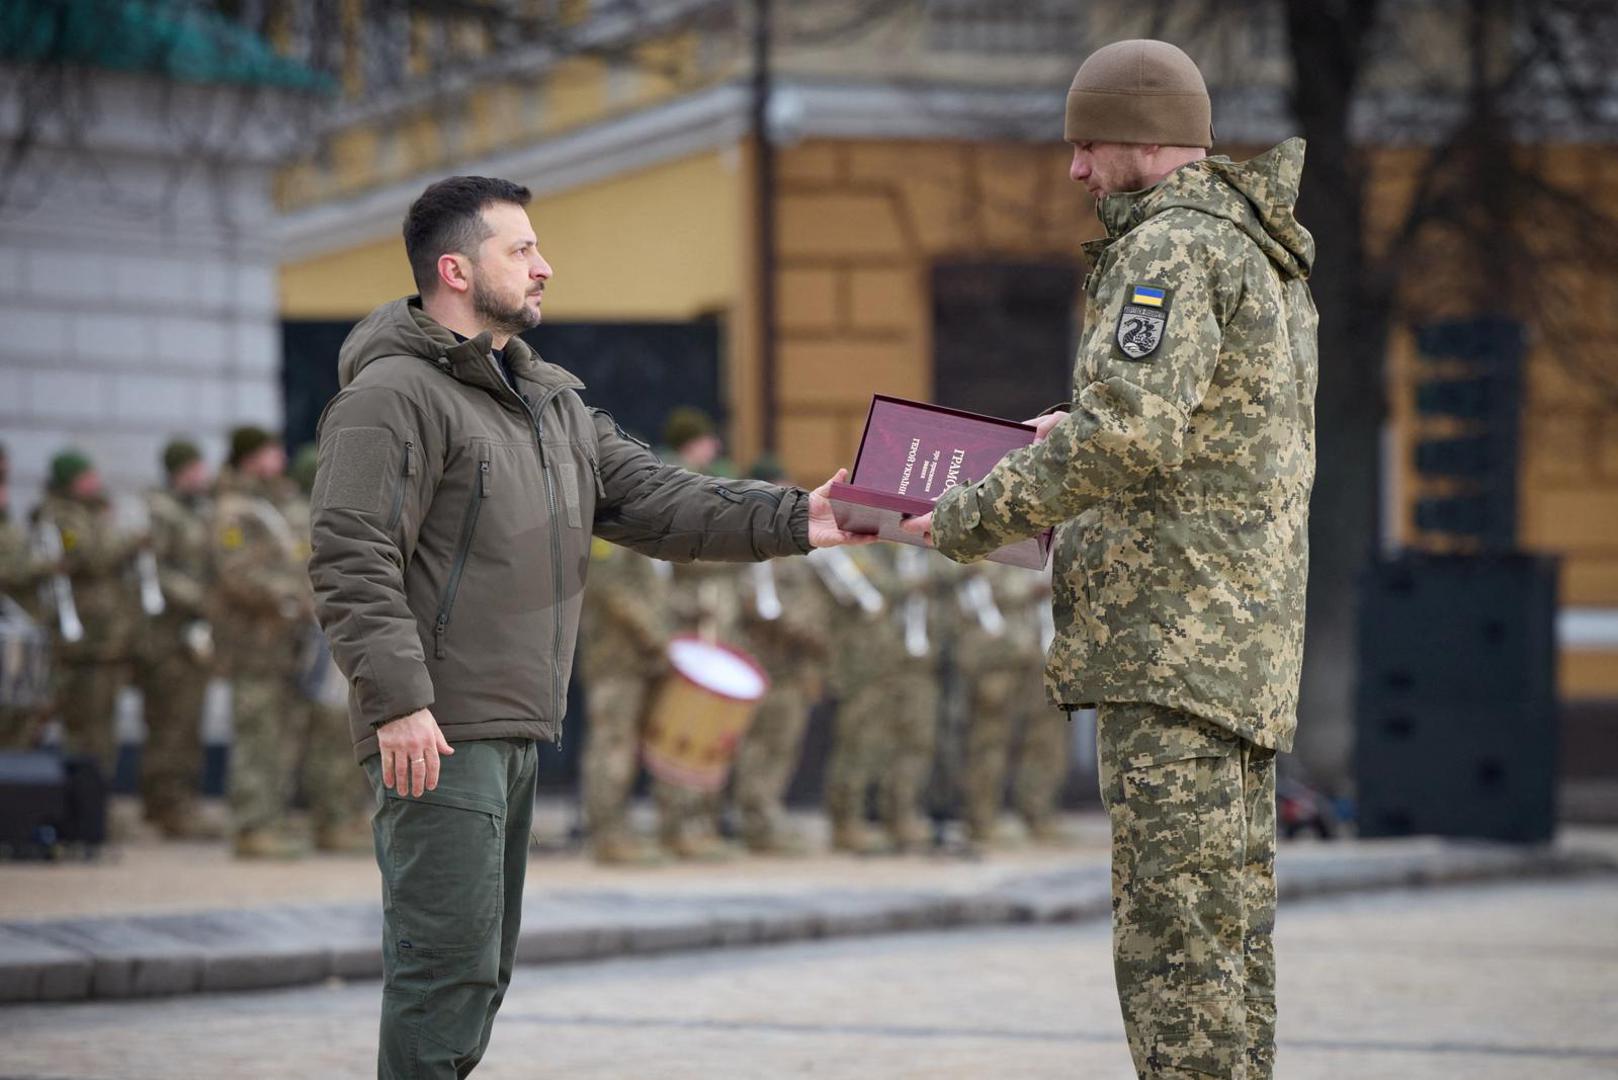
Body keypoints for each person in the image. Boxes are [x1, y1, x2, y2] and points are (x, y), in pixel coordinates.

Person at [307, 175, 870, 1078]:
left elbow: (660, 500)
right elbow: (350, 554)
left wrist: (804, 516)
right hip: (438, 730)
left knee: (479, 972)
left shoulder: (549, 402)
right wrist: (400, 702)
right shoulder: (392, 397)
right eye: (521, 250)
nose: (545, 267)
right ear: (455, 269)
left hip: (514, 723)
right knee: (442, 971)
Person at [904, 39, 1316, 1079]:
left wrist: (965, 515)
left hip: (1168, 651)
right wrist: (1074, 432)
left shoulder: (1170, 245)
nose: (1077, 171)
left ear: (1142, 139)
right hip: (1233, 647)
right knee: (1225, 947)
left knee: (1174, 953)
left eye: (1088, 146)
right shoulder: (1250, 246)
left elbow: (1133, 435)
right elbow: (1196, 433)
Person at [212, 426, 314, 859]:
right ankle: (251, 825)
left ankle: (270, 816)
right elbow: (236, 574)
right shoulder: (235, 509)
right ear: (251, 456)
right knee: (257, 736)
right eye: (270, 450)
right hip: (253, 644)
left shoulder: (274, 501)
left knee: (279, 735)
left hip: (281, 644)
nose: (279, 456)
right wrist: (290, 595)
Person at [730, 456, 833, 855]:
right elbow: (758, 604)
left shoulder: (792, 542)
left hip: (792, 665)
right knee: (760, 745)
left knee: (783, 745)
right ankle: (754, 821)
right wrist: (804, 631)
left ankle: (767, 816)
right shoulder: (752, 542)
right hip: (763, 663)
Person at [129, 439, 216, 837]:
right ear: (180, 469)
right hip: (164, 637)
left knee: (187, 722)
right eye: (196, 467)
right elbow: (154, 571)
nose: (204, 475)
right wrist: (200, 597)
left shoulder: (199, 509)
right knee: (168, 723)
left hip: (192, 636)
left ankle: (180, 803)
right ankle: (164, 806)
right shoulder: (161, 512)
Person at [34, 449, 139, 775]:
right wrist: (129, 541)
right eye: (86, 477)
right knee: (83, 729)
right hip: (82, 640)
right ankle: (80, 804)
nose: (95, 482)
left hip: (106, 638)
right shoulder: (60, 516)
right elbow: (90, 557)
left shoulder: (92, 512)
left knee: (103, 727)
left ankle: (96, 802)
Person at [578, 538, 675, 865]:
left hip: (642, 660)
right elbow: (609, 589)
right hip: (614, 661)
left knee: (628, 747)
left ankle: (622, 831)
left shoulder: (644, 531)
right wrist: (657, 636)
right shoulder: (607, 534)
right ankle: (608, 836)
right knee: (612, 745)